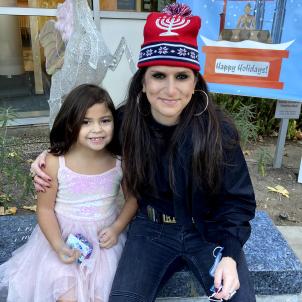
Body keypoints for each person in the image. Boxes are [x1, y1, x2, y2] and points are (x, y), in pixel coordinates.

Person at [30, 3, 256, 302]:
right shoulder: (125, 122)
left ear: (195, 81)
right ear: (144, 79)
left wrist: (229, 255)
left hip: (208, 232)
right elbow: (85, 140)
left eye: (182, 76)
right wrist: (48, 156)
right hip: (151, 230)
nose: (171, 90)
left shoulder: (218, 131)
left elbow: (238, 203)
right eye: (159, 75)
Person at [0, 84, 137, 302]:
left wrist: (117, 228)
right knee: (66, 293)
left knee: (103, 292)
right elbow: (45, 209)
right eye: (85, 122)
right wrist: (57, 245)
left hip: (105, 241)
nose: (97, 129)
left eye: (105, 120)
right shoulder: (55, 162)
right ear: (70, 123)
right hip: (62, 237)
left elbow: (132, 200)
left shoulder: (119, 161)